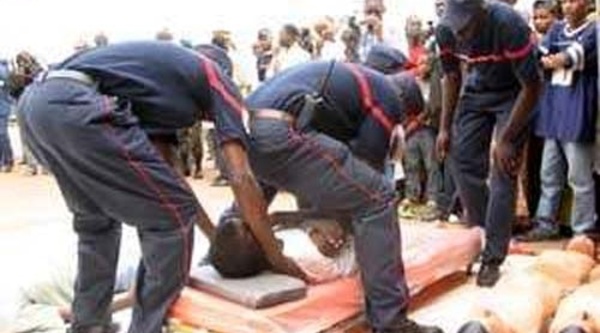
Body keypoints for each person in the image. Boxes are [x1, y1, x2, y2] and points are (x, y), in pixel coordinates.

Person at [17, 41, 305, 333]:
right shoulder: (217, 78)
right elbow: (240, 176)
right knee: (170, 220)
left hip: (37, 107)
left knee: (97, 225)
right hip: (74, 105)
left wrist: (215, 237)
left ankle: (89, 325)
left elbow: (170, 181)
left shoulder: (156, 87)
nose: (205, 119)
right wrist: (275, 255)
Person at [217, 60, 441, 333]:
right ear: (405, 109)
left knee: (248, 213)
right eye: (406, 121)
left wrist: (307, 219)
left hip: (247, 130)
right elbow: (362, 179)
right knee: (378, 199)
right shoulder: (389, 98)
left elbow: (323, 173)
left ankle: (220, 256)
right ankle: (391, 321)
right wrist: (318, 221)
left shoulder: (347, 84)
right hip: (280, 132)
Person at [436, 0, 542, 287]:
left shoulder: (509, 24)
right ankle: (482, 235)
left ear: (481, 10)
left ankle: (493, 257)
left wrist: (507, 138)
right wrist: (445, 128)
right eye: (454, 28)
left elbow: (533, 86)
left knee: (503, 167)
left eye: (465, 28)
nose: (459, 36)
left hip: (515, 93)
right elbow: (451, 75)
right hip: (477, 91)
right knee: (461, 158)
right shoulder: (445, 30)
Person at [517, 0, 597, 242]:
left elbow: (572, 56)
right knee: (549, 175)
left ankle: (582, 231)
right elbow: (539, 56)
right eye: (564, 2)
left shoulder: (594, 31)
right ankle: (545, 223)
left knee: (580, 179)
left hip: (577, 114)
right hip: (553, 114)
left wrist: (555, 59)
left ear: (589, 4)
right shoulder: (556, 29)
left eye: (573, 1)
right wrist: (551, 59)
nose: (568, 6)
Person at [0, 59, 13, 173]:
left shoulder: (3, 70)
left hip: (2, 107)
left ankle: (8, 161)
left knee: (2, 134)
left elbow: (6, 84)